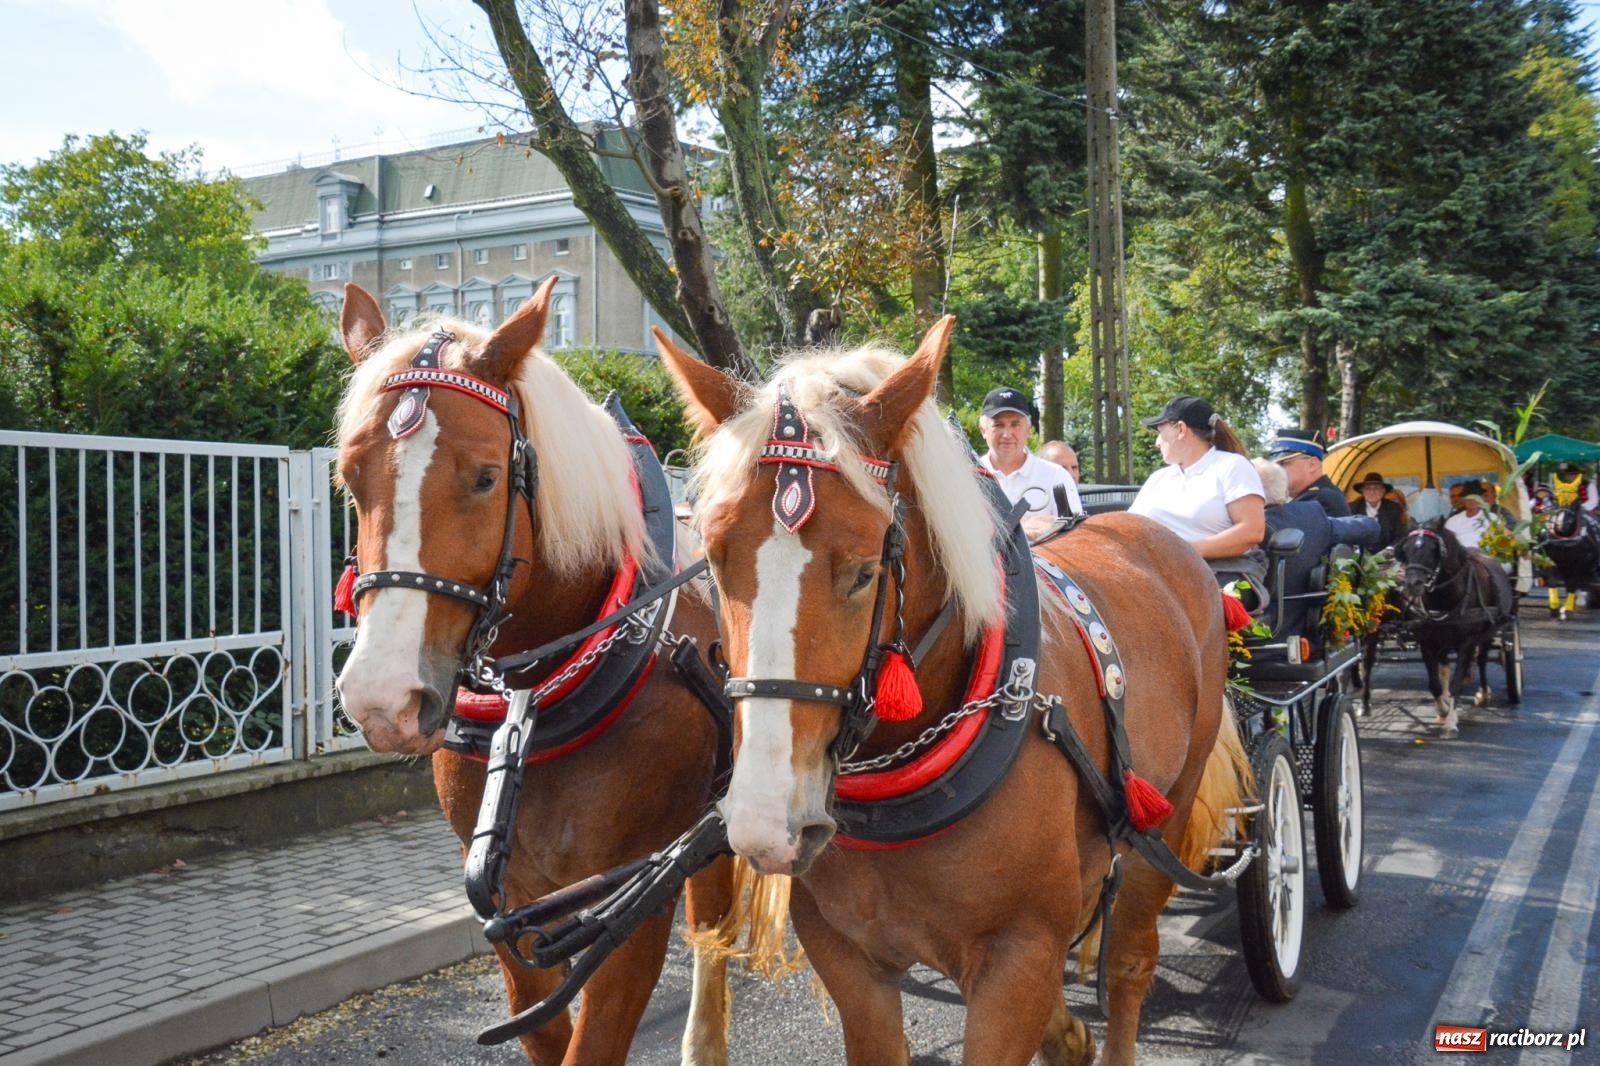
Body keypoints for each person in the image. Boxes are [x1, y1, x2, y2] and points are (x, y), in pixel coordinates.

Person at [1129, 395, 1267, 597]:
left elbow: (1252, 531)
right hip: (1157, 571)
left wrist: (1186, 550)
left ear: (1181, 429)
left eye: (1160, 432)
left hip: (1222, 573)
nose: (1157, 442)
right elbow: (1130, 526)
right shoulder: (1159, 478)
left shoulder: (1231, 466)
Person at [1256, 459, 1381, 638]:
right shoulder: (1311, 518)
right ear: (1284, 493)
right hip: (1302, 633)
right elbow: (1371, 528)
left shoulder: (1230, 526)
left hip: (1242, 635)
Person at [977, 386, 1082, 528]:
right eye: (998, 425)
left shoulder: (1057, 477)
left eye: (1015, 425)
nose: (1007, 434)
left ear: (1028, 429)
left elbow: (1076, 535)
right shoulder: (967, 477)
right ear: (983, 430)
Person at [1267, 428, 1351, 516]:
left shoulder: (1320, 499)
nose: (1276, 470)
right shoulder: (1315, 496)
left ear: (1312, 465)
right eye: (1275, 465)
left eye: (1283, 464)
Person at [1353, 471, 1406, 547]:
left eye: (1376, 488)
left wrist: (1388, 551)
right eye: (1368, 489)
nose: (1372, 492)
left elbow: (1399, 535)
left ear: (1383, 491)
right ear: (1362, 491)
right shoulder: (1353, 508)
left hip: (1387, 555)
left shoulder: (1393, 508)